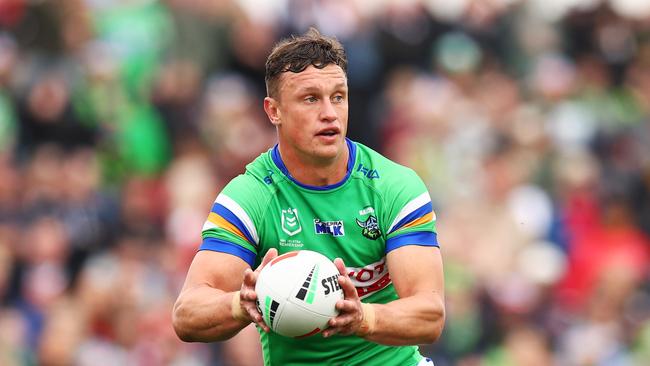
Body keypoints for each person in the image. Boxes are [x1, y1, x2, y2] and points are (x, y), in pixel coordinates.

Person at [172, 28, 445, 365]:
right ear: (274, 111)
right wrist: (242, 304)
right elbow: (186, 314)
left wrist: (364, 319)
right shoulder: (250, 197)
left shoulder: (394, 186)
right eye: (311, 98)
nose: (330, 113)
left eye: (338, 96)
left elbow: (430, 315)